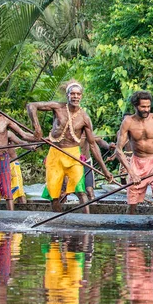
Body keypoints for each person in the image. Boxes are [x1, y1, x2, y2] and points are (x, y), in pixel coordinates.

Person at [27, 80, 113, 212]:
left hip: (74, 155)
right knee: (54, 194)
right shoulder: (58, 107)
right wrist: (37, 127)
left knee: (81, 191)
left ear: (81, 96)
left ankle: (87, 223)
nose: (75, 96)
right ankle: (57, 223)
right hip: (55, 154)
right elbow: (31, 106)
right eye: (72, 94)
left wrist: (105, 170)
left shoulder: (84, 117)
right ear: (67, 95)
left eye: (78, 94)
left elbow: (93, 145)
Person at [0, 131, 38, 205]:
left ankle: (23, 210)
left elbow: (20, 142)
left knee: (19, 191)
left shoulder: (8, 133)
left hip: (12, 164)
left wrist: (30, 147)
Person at [79, 133, 115, 200]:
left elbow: (99, 140)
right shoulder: (65, 129)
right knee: (64, 193)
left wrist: (108, 146)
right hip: (71, 163)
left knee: (90, 191)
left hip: (86, 163)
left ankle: (91, 208)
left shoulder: (85, 128)